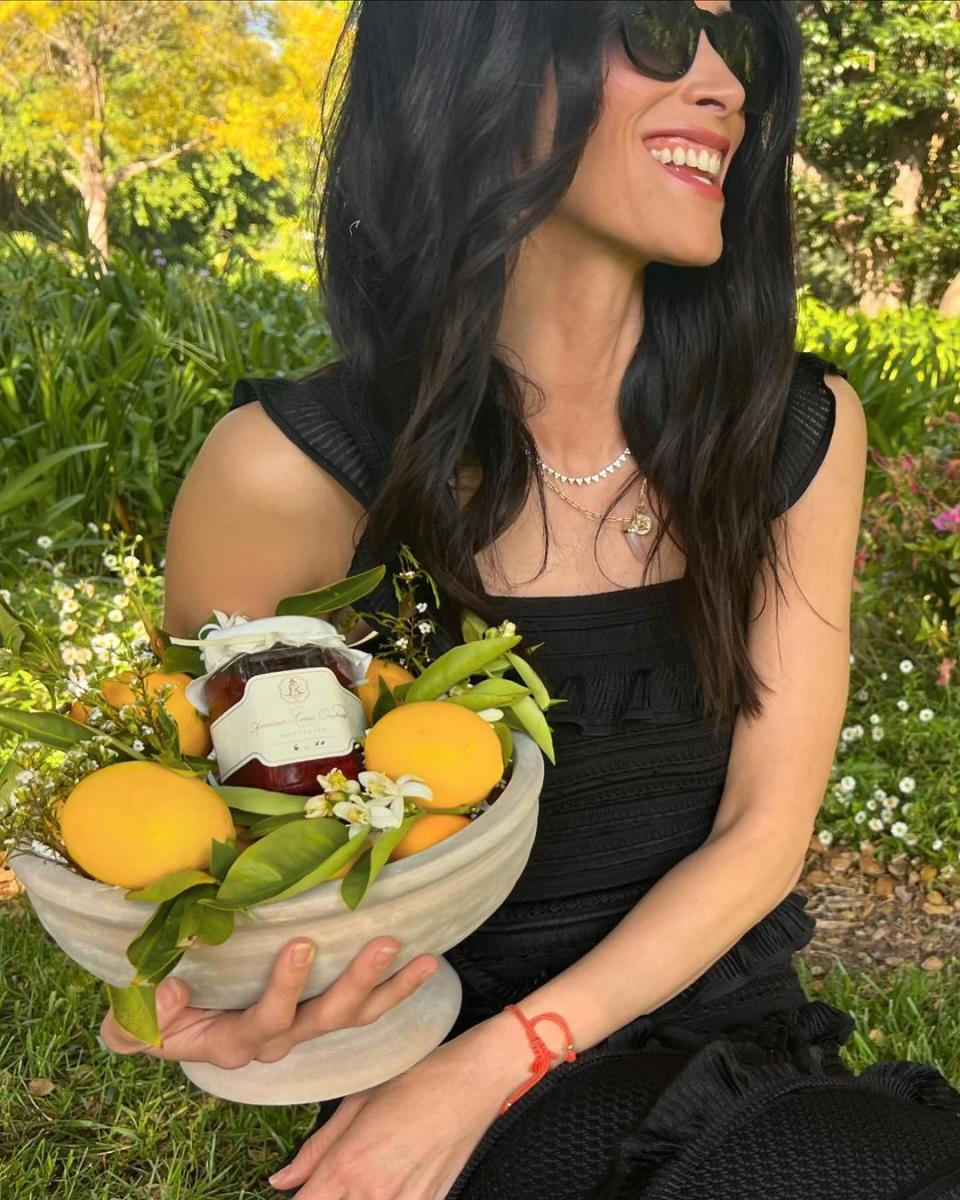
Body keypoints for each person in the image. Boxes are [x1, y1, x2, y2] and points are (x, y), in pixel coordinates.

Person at [108, 1, 960, 1197]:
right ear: (482, 57)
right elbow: (206, 860)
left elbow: (764, 834)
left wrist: (495, 1069)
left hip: (710, 1036)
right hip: (427, 1059)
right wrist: (196, 1012)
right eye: (663, 26)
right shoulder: (286, 474)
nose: (724, 85)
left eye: (742, 47)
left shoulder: (791, 434)